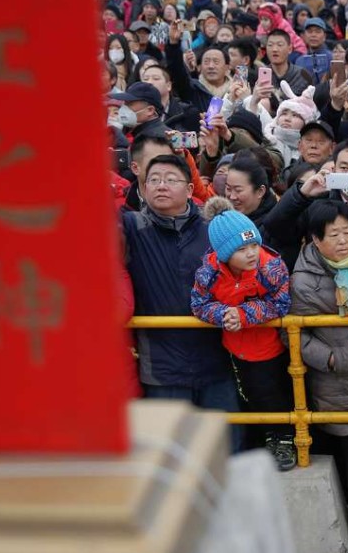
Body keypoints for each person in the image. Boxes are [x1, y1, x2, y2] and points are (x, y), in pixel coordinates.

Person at [290, 200, 348, 553]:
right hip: (339, 379)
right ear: (315, 240)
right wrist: (330, 359)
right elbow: (293, 334)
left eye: (347, 232)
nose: (344, 241)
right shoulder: (303, 281)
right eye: (333, 235)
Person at [121, 154, 240, 436]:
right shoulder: (131, 228)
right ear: (143, 188)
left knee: (225, 444)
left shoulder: (213, 230)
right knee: (169, 449)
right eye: (154, 180)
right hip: (161, 368)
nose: (161, 185)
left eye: (170, 179)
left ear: (189, 190)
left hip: (216, 360)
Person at [191, 197, 294, 467]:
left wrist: (244, 314)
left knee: (274, 395)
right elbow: (198, 304)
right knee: (248, 397)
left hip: (271, 348)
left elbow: (281, 303)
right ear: (223, 253)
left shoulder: (270, 266)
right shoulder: (209, 272)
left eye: (254, 245)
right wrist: (223, 314)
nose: (251, 253)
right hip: (233, 349)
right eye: (242, 249)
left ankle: (284, 441)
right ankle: (262, 442)